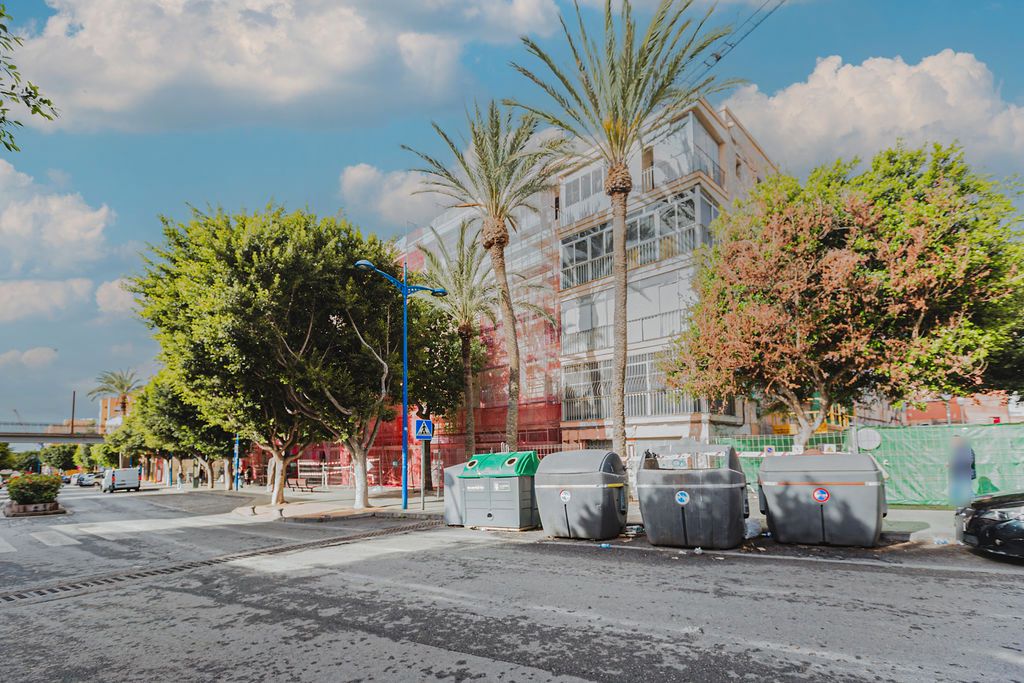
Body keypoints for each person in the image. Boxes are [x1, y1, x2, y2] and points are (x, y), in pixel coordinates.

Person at [948, 434, 976, 507]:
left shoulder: (967, 449)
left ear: (960, 441)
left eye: (955, 441)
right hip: (957, 474)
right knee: (955, 489)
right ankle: (958, 505)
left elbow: (969, 461)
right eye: (953, 441)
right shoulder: (957, 450)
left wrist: (954, 464)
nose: (953, 443)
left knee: (967, 490)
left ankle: (973, 504)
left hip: (965, 474)